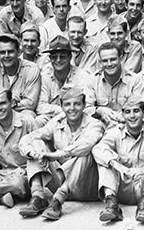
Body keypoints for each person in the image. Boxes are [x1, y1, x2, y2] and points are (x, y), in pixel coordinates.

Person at [18, 85, 105, 220]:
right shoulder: (57, 122)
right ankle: (38, 197)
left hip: (86, 185)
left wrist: (55, 155)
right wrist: (35, 153)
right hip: (60, 180)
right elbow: (27, 139)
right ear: (62, 106)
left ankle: (58, 201)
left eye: (77, 104)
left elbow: (86, 144)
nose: (72, 108)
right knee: (36, 143)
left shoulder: (94, 124)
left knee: (86, 152)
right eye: (67, 105)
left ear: (84, 105)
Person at [92, 94, 144, 225]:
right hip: (122, 185)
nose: (132, 116)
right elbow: (98, 149)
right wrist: (116, 165)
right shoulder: (116, 130)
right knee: (105, 160)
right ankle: (112, 204)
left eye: (136, 111)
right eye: (127, 112)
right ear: (122, 115)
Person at [0, 33, 42, 118]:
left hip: (18, 114)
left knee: (28, 115)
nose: (6, 56)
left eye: (10, 52)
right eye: (2, 52)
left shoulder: (31, 69)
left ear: (19, 52)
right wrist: (10, 101)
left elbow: (30, 104)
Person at [85, 42, 144, 127]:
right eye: (105, 61)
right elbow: (85, 109)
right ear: (100, 62)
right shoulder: (92, 80)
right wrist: (98, 110)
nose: (109, 64)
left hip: (128, 125)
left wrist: (120, 118)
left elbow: (141, 108)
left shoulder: (134, 80)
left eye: (113, 59)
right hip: (100, 126)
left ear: (121, 59)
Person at [36, 35, 93, 122]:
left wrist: (68, 111)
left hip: (77, 118)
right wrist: (62, 111)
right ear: (50, 58)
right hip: (53, 119)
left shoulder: (82, 76)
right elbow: (40, 107)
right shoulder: (45, 77)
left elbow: (88, 105)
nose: (58, 60)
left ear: (70, 57)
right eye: (54, 57)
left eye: (62, 57)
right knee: (40, 120)